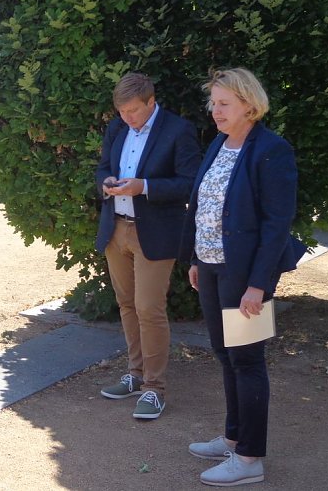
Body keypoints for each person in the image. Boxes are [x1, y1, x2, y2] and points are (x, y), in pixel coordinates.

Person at [181, 68, 305, 486]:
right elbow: (206, 206)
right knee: (224, 353)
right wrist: (197, 258)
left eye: (223, 104)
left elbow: (276, 224)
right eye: (213, 103)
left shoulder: (272, 150)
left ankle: (250, 459)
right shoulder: (219, 143)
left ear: (249, 105)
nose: (214, 111)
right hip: (212, 269)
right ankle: (234, 438)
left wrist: (259, 284)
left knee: (248, 360)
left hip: (247, 276)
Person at [95, 72, 201, 420]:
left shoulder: (178, 129)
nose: (127, 118)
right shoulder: (117, 128)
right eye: (122, 112)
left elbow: (189, 184)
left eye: (134, 111)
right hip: (116, 229)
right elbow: (103, 169)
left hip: (154, 233)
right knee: (126, 304)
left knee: (148, 308)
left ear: (151, 102)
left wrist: (143, 187)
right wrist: (107, 183)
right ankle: (135, 374)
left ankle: (154, 389)